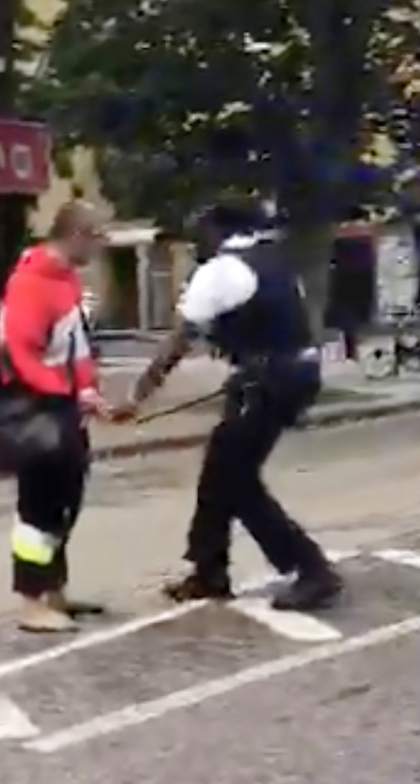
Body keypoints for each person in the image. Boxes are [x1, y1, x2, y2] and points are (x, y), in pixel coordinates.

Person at [115, 199, 343, 612]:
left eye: (200, 231)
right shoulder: (273, 259)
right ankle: (208, 570)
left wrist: (136, 398)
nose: (195, 240)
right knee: (220, 469)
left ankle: (311, 569)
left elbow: (177, 342)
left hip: (265, 382)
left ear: (218, 229)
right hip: (293, 374)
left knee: (237, 480)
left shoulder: (221, 270)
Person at [0, 201, 111, 632]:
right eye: (98, 235)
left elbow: (74, 349)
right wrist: (66, 390)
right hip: (37, 410)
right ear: (78, 234)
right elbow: (18, 352)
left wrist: (87, 391)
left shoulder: (64, 281)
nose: (101, 245)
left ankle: (54, 590)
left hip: (64, 408)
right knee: (39, 509)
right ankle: (31, 602)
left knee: (65, 502)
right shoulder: (32, 283)